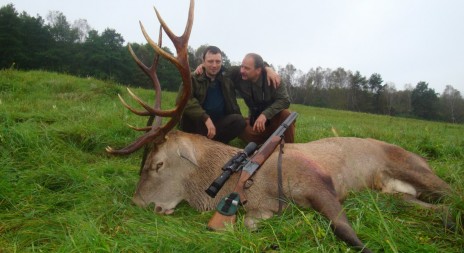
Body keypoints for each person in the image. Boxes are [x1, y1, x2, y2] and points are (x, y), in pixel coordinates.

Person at [176, 46, 245, 144]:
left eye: (218, 61)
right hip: (199, 123)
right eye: (210, 61)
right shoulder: (192, 78)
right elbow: (183, 100)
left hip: (219, 123)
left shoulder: (227, 76)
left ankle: (217, 144)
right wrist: (205, 118)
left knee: (239, 121)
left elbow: (249, 68)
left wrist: (267, 68)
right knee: (188, 116)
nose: (214, 65)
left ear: (222, 62)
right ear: (203, 62)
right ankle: (197, 141)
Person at [229, 53, 295, 145]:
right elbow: (218, 70)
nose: (242, 71)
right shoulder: (239, 74)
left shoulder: (274, 78)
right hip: (255, 124)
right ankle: (268, 142)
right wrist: (203, 66)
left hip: (273, 122)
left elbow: (285, 100)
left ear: (258, 70)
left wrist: (265, 115)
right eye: (242, 66)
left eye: (247, 68)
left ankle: (288, 148)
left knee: (286, 114)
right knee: (237, 123)